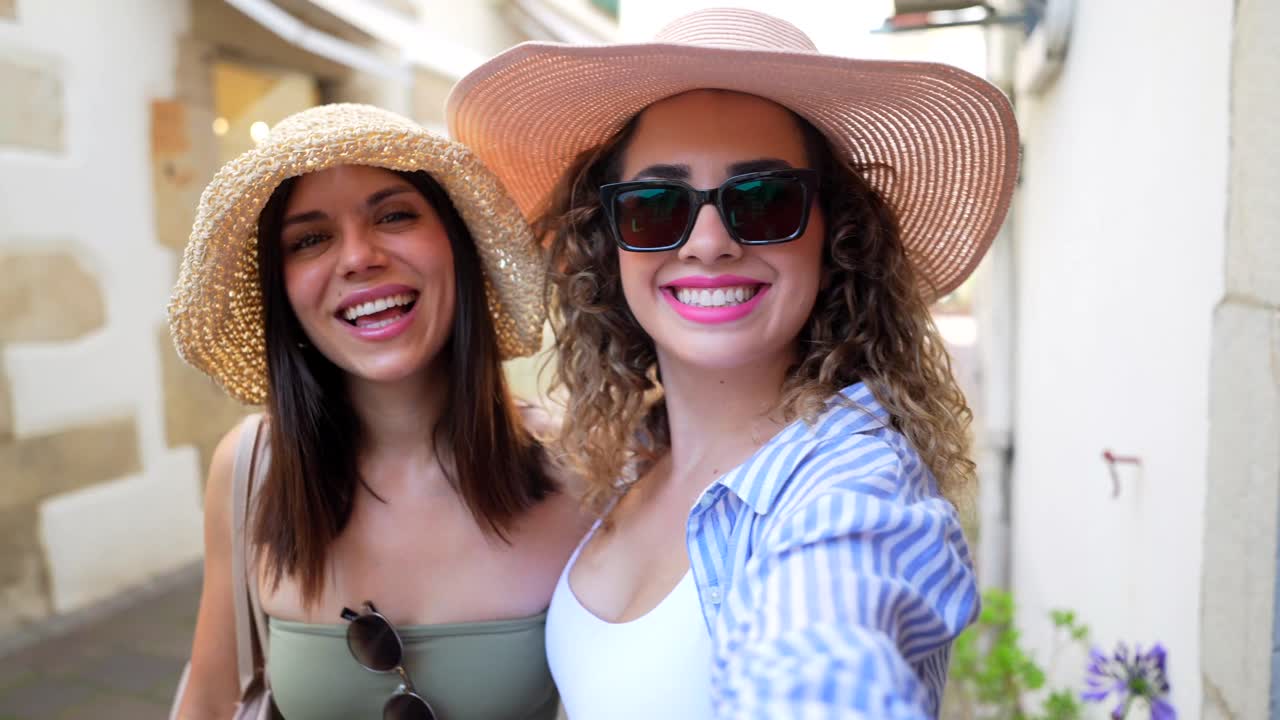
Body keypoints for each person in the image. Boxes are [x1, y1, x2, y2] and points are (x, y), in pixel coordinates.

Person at [447, 8, 1019, 718]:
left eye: (764, 199)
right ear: (610, 240)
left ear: (834, 236)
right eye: (657, 205)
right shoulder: (625, 457)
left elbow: (827, 652)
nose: (709, 241)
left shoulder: (851, 491)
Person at [169, 103, 585, 719]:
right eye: (310, 239)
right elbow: (208, 702)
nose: (358, 257)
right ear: (284, 292)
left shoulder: (583, 466)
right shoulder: (252, 469)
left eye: (394, 215)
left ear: (457, 248)